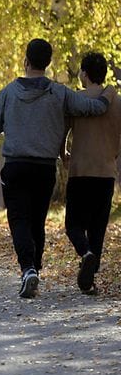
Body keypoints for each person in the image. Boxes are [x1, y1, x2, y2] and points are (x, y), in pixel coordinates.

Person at [0, 38, 111, 299]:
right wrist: (108, 95)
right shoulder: (59, 93)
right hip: (44, 168)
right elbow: (93, 108)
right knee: (37, 220)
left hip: (16, 166)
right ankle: (35, 269)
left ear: (25, 61)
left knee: (19, 219)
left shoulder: (9, 92)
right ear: (48, 63)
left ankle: (28, 269)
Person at [62, 52, 121, 295]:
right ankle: (90, 279)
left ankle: (85, 253)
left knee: (73, 224)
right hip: (106, 172)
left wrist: (62, 152)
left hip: (80, 171)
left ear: (84, 74)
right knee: (98, 227)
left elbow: (63, 131)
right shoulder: (117, 102)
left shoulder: (76, 100)